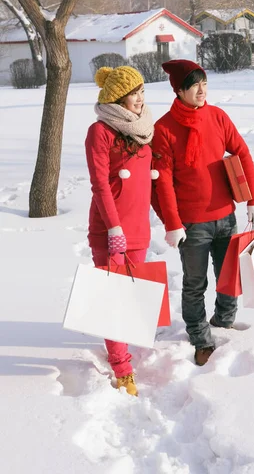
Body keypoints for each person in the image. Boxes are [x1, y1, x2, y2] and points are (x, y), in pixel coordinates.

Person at [152, 59, 254, 366]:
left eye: (204, 84)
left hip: (226, 214)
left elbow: (242, 152)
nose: (201, 90)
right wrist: (172, 223)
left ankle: (224, 321)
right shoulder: (163, 128)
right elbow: (163, 183)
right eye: (194, 85)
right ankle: (200, 337)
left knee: (229, 277)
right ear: (179, 90)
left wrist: (253, 198)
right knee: (195, 283)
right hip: (192, 223)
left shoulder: (217, 116)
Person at [85, 65, 155, 396]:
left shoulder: (143, 129)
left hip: (139, 228)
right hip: (111, 228)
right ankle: (123, 368)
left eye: (142, 92)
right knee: (114, 298)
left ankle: (121, 349)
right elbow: (100, 182)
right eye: (133, 94)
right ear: (117, 97)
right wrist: (113, 227)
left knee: (129, 299)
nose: (140, 99)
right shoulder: (100, 131)